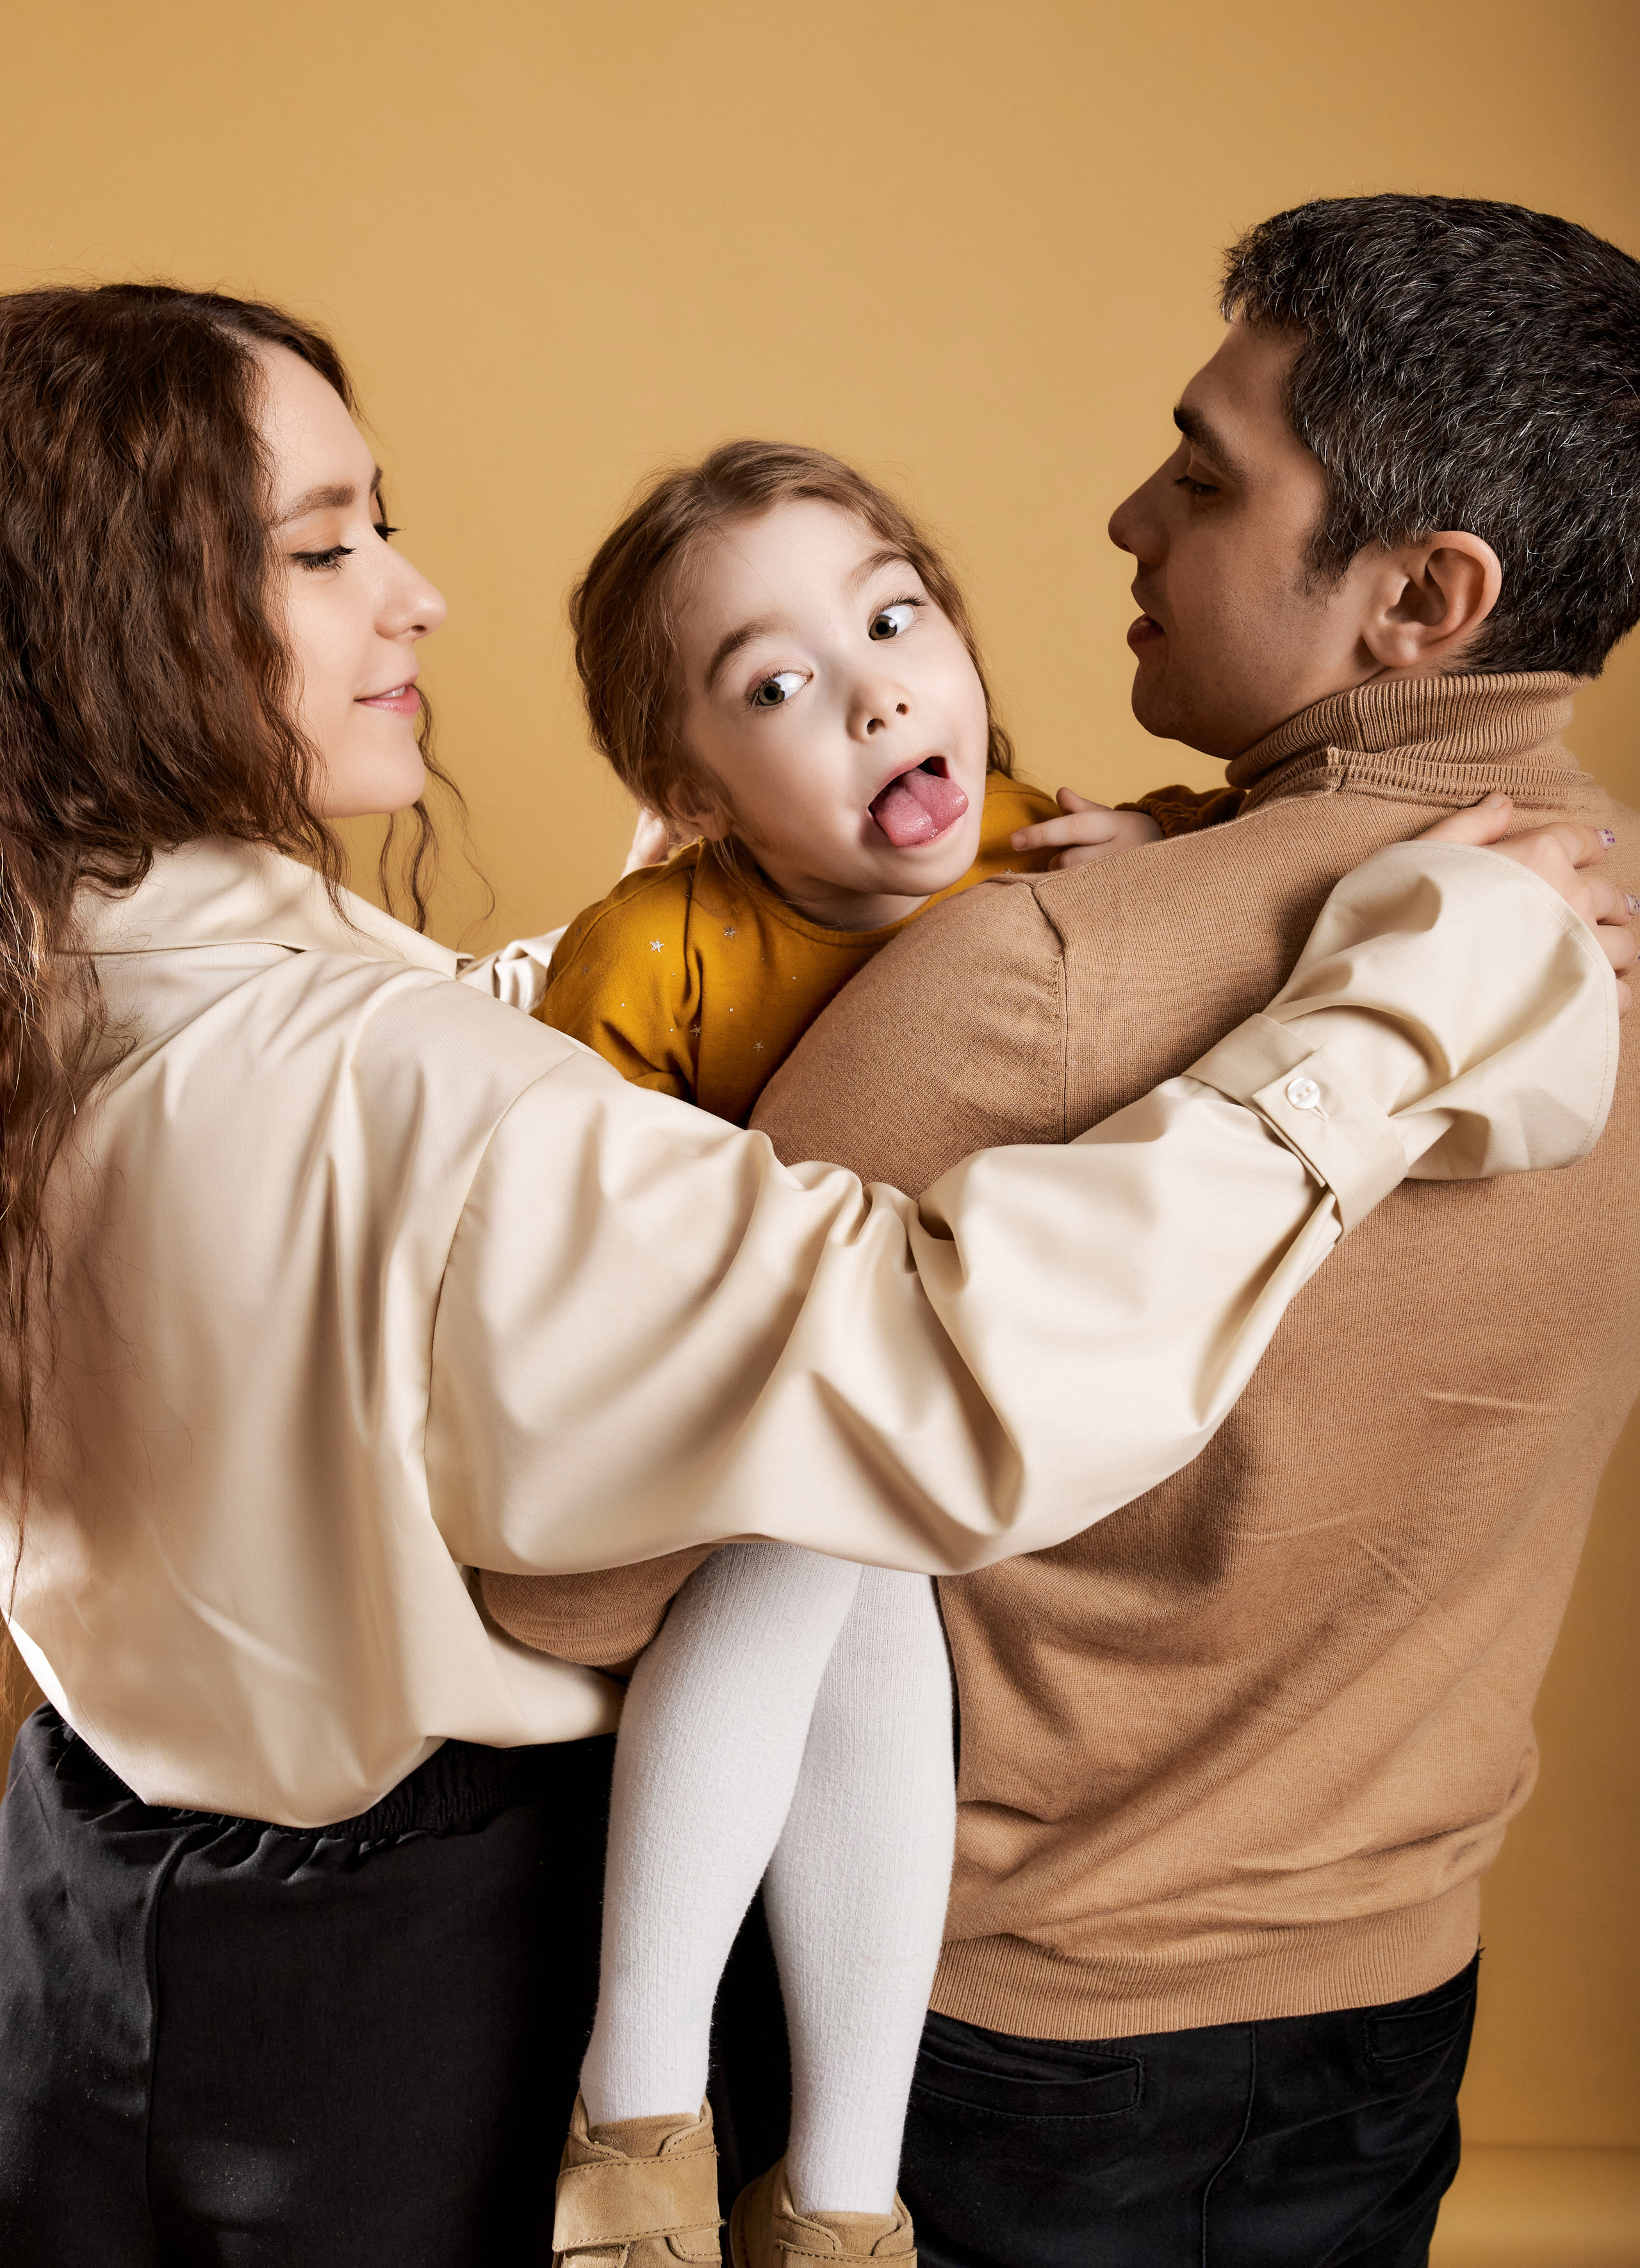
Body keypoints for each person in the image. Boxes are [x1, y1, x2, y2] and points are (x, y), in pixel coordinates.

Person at [0, 284, 1621, 2268]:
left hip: (84, 1938)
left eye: (379, 521)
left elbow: (409, 1076)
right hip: (402, 2025)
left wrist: (664, 953)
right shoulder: (459, 1086)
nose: (415, 595)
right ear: (117, 617)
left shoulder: (82, 971)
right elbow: (932, 1373)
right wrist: (1408, 1012)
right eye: (325, 547)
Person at [741, 193, 1640, 2268]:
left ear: (1422, 594)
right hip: (1392, 2014)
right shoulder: (1598, 915)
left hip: (960, 2042)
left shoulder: (1028, 973)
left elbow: (625, 1530)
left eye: (1206, 476)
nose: (1128, 520)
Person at [487, 439, 1161, 2266]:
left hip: (940, 1417)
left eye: (894, 619)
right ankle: (661, 2117)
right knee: (822, 1528)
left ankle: (822, 2192)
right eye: (778, 686)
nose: (874, 691)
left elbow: (1267, 885)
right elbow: (563, 1210)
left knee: (868, 1554)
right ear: (689, 789)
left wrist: (1179, 853)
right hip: (708, 1406)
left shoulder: (1073, 851)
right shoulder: (653, 948)